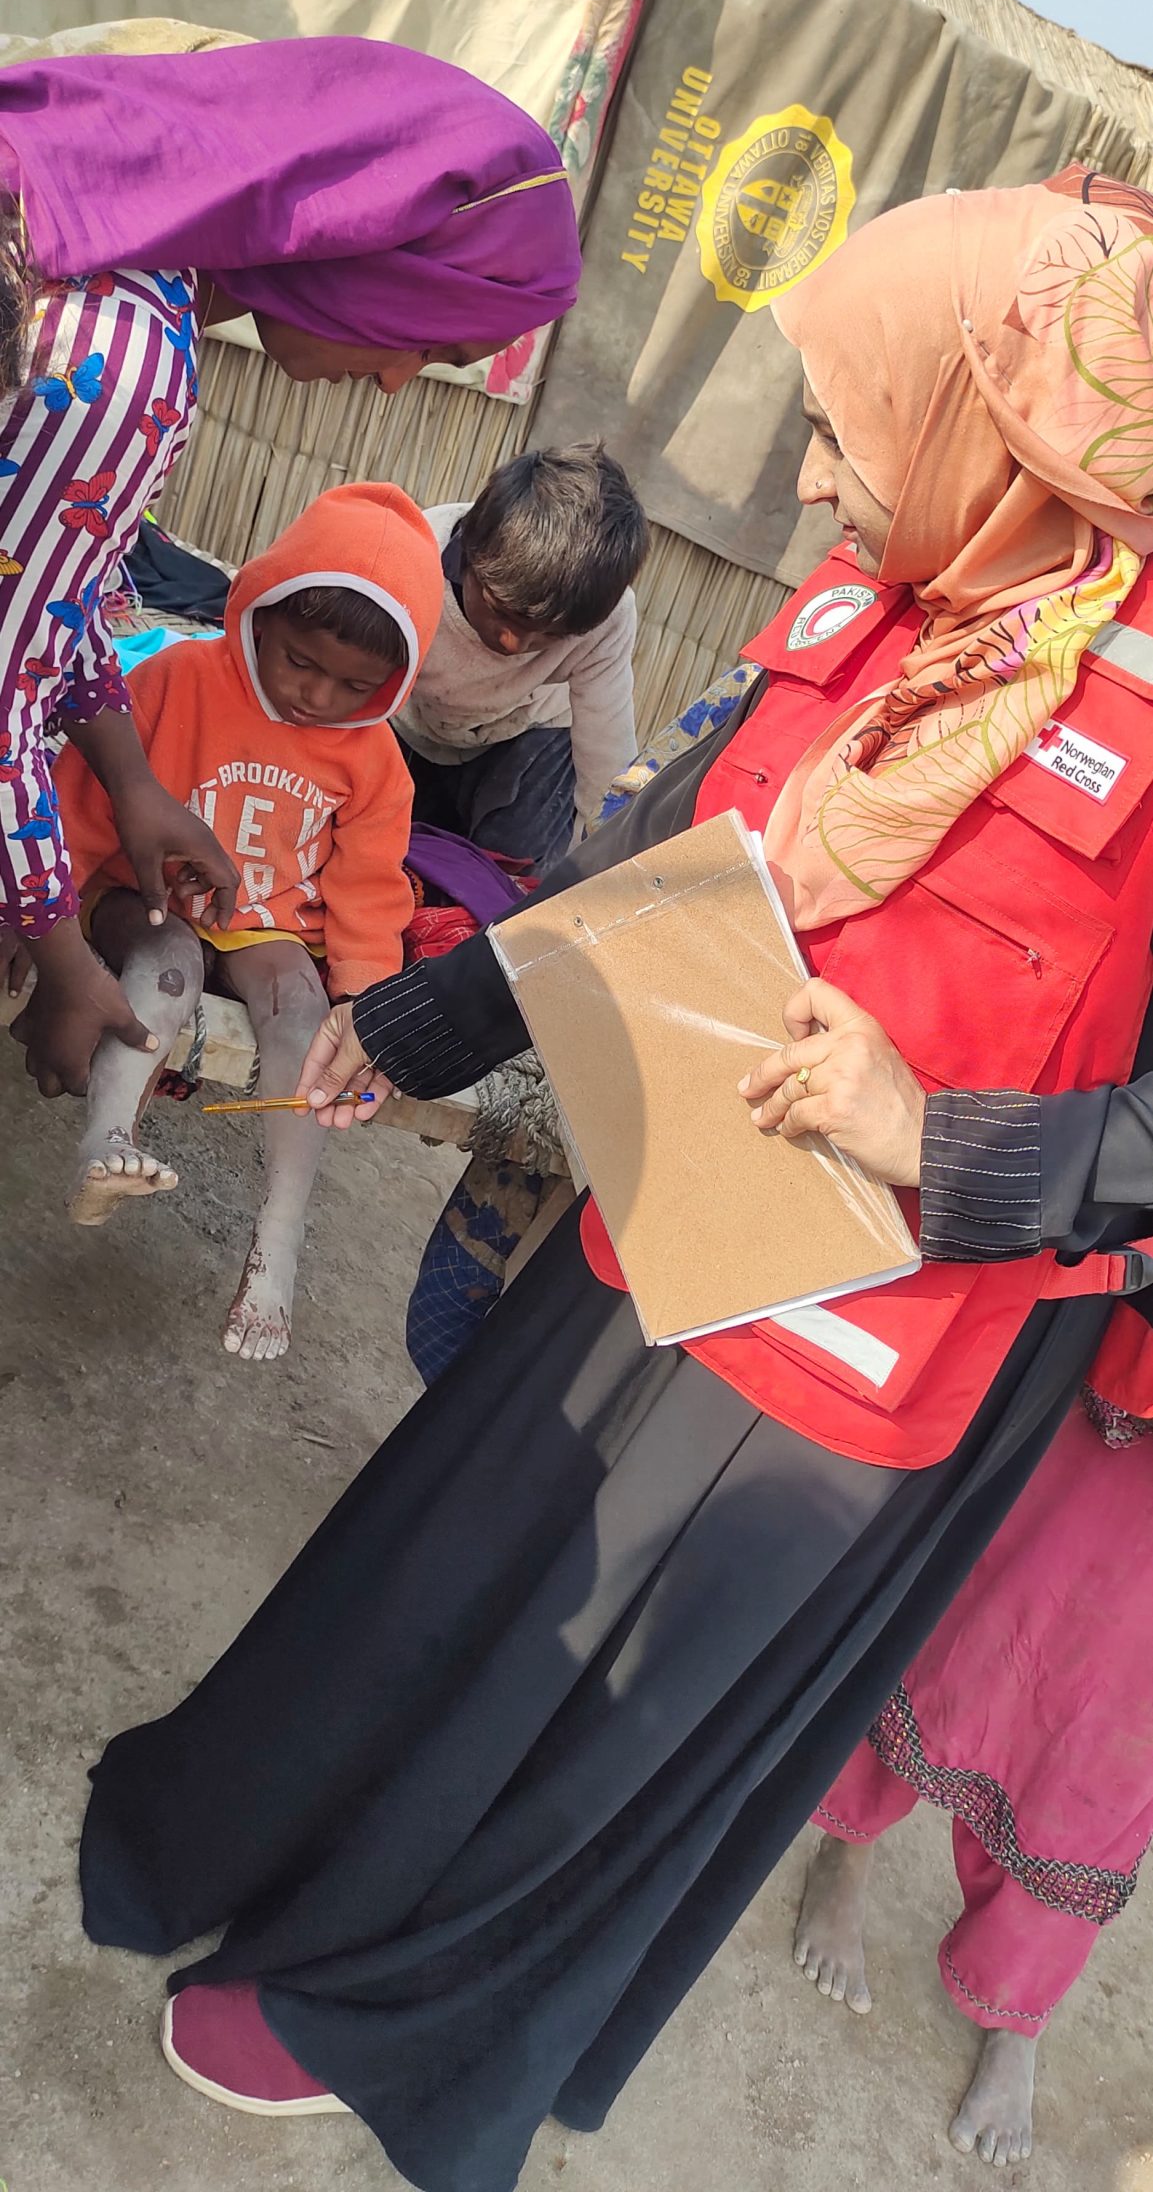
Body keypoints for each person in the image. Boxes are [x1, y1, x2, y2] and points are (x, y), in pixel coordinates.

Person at [80, 168, 1153, 2192]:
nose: (822, 491)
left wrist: (947, 1139)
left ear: (1002, 426)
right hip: (678, 1206)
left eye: (852, 430)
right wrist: (413, 1027)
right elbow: (675, 870)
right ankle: (269, 1854)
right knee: (457, 1569)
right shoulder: (896, 612)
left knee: (603, 1698)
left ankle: (385, 2010)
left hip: (880, 1347)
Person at [0, 34, 581, 1100]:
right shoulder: (123, 358)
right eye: (438, 340)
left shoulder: (120, 281)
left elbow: (45, 602)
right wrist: (59, 944)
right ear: (361, 238)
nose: (403, 383)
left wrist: (131, 782)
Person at [51, 481, 443, 1361]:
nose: (318, 695)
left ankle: (279, 1237)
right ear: (258, 614)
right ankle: (106, 1141)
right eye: (300, 660)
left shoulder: (377, 760)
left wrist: (367, 1006)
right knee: (167, 961)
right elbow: (85, 797)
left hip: (268, 928)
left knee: (304, 1011)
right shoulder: (173, 681)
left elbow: (369, 889)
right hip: (146, 896)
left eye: (356, 683)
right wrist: (50, 909)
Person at [791, 1298, 1153, 2168]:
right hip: (1124, 1370)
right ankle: (849, 1842)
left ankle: (1014, 2004)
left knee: (1107, 1756)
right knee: (972, 1620)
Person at [393, 442, 649, 876]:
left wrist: (613, 866)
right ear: (468, 554)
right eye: (500, 611)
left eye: (551, 635)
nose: (514, 643)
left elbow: (607, 761)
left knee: (511, 885)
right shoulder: (414, 555)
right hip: (405, 718)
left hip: (526, 734)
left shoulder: (608, 618)